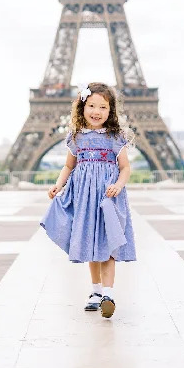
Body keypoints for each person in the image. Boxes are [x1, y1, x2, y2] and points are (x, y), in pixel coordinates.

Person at [40, 81, 136, 318]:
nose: (96, 112)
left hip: (108, 197)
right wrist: (58, 186)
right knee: (93, 245)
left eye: (102, 107)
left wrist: (118, 185)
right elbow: (68, 166)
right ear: (82, 107)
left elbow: (125, 168)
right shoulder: (77, 137)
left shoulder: (116, 137)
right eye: (91, 105)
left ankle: (108, 293)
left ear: (110, 110)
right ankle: (95, 291)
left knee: (109, 243)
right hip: (85, 197)